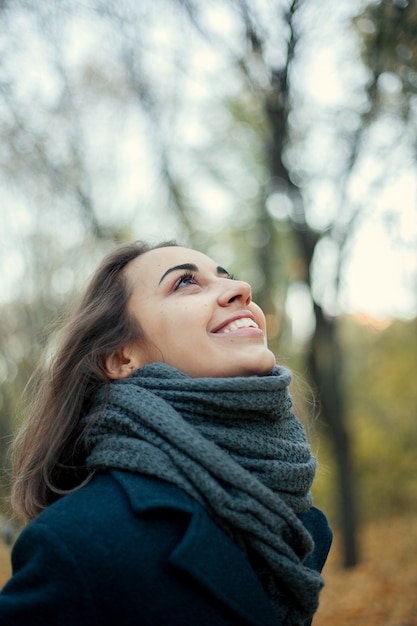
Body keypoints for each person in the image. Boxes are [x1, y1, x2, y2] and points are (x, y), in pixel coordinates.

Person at [0, 241, 332, 626]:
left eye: (227, 276)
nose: (241, 289)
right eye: (185, 283)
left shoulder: (301, 525)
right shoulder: (79, 542)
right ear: (122, 357)